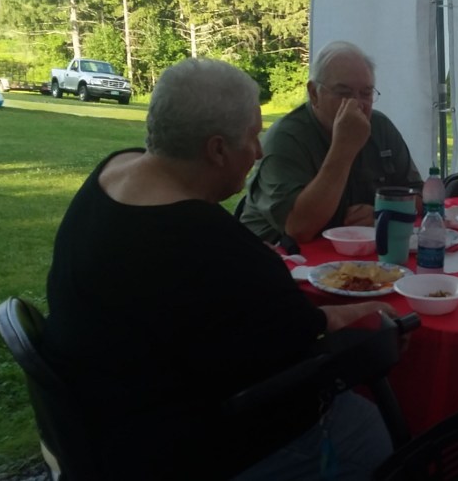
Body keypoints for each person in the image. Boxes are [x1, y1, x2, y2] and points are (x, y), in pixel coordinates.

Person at [41, 58, 395, 480]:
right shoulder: (205, 240)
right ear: (217, 150)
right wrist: (374, 313)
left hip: (101, 417)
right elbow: (307, 332)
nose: (259, 152)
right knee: (368, 427)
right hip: (174, 448)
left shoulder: (115, 170)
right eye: (253, 136)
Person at [240, 41, 422, 244]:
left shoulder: (380, 127)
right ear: (314, 94)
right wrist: (343, 149)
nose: (357, 104)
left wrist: (383, 212)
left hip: (356, 254)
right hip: (278, 254)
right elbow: (299, 228)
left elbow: (422, 197)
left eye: (366, 93)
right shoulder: (286, 139)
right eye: (343, 93)